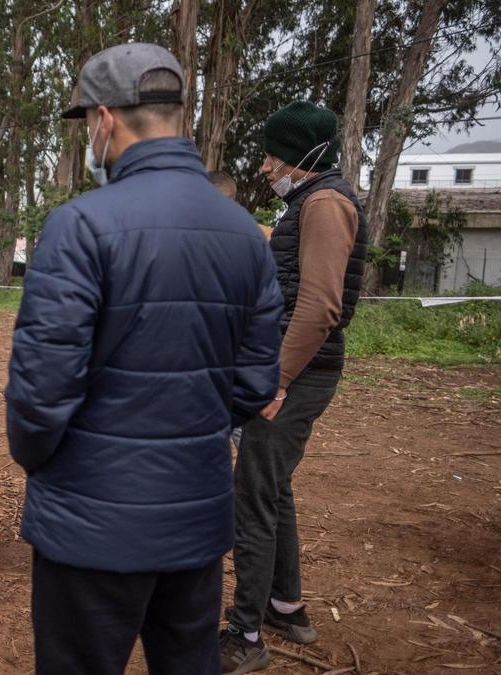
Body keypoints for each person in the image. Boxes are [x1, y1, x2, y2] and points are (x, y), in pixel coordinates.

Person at [6, 44, 284, 675]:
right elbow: (254, 384)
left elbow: (40, 395)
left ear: (105, 120)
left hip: (88, 524)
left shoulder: (79, 226)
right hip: (196, 519)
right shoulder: (245, 234)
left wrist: (46, 462)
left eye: (88, 128)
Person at [220, 101, 368, 675]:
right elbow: (290, 269)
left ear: (304, 155)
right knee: (273, 488)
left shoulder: (327, 203)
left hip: (299, 375)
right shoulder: (309, 204)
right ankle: (287, 606)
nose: (264, 167)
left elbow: (320, 305)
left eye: (272, 156)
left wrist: (275, 380)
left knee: (252, 496)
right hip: (296, 371)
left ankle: (245, 637)